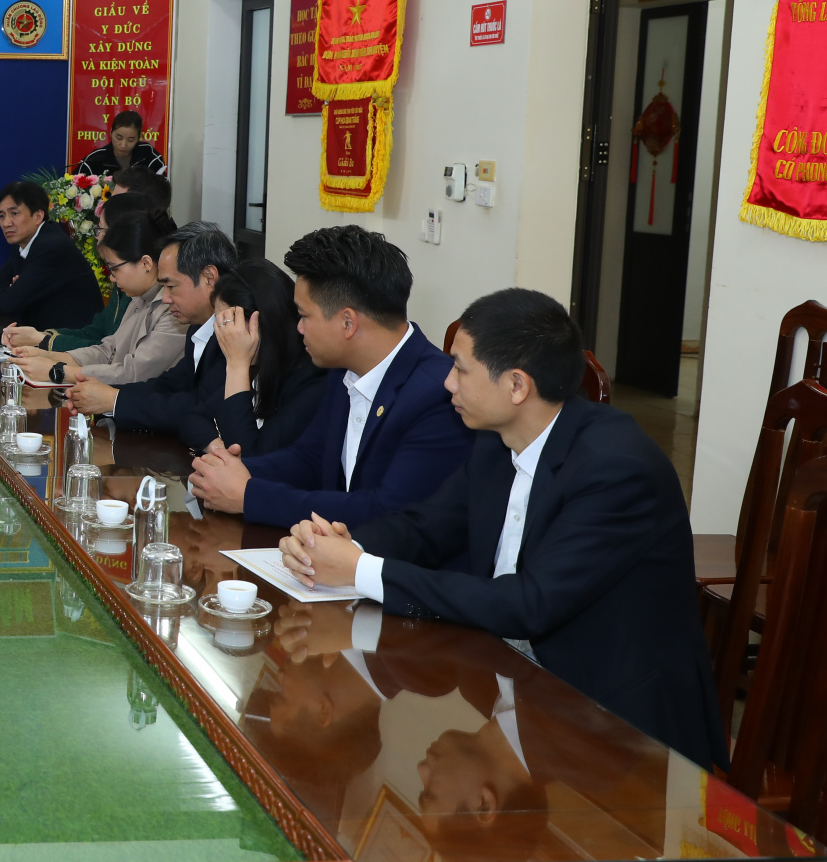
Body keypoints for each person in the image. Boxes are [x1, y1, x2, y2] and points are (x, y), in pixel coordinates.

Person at [275, 287, 728, 767]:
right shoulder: (498, 440)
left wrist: (360, 570)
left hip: (616, 729)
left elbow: (529, 604)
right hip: (513, 683)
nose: (447, 383)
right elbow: (428, 526)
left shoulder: (616, 468)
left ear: (516, 386)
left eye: (460, 369)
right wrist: (340, 545)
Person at [190, 225, 470, 529]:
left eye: (304, 316)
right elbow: (310, 458)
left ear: (348, 323)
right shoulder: (344, 371)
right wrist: (232, 471)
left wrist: (249, 496)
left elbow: (385, 510)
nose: (298, 328)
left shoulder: (438, 395)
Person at [67, 221, 237, 439]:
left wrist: (113, 400)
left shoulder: (236, 332)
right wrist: (109, 394)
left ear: (209, 278)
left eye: (171, 286)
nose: (165, 298)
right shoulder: (198, 327)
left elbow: (199, 407)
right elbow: (169, 385)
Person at [5, 209, 184, 388]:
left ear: (145, 263)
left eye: (115, 269)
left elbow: (133, 374)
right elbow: (107, 351)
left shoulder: (174, 309)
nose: (112, 278)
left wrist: (58, 370)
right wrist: (45, 355)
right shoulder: (139, 300)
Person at [0, 190, 166, 353]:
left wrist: (42, 341)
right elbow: (98, 333)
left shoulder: (144, 293)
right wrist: (42, 337)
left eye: (101, 230)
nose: (97, 237)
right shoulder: (127, 284)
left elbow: (110, 353)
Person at [201, 259, 329, 455]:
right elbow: (194, 414)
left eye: (228, 322)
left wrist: (237, 364)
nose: (222, 333)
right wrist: (215, 445)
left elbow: (248, 457)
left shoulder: (313, 380)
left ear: (263, 320)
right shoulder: (257, 362)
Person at [0, 180, 102, 331]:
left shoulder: (51, 247)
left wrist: (12, 292)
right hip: (45, 333)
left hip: (75, 339)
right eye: (2, 215)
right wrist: (11, 291)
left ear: (38, 216)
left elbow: (7, 304)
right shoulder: (24, 243)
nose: (6, 223)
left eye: (14, 213)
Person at [75, 109, 167, 178]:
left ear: (139, 137)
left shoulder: (149, 155)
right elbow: (75, 187)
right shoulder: (94, 160)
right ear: (111, 132)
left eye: (131, 140)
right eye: (119, 138)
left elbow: (162, 190)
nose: (123, 145)